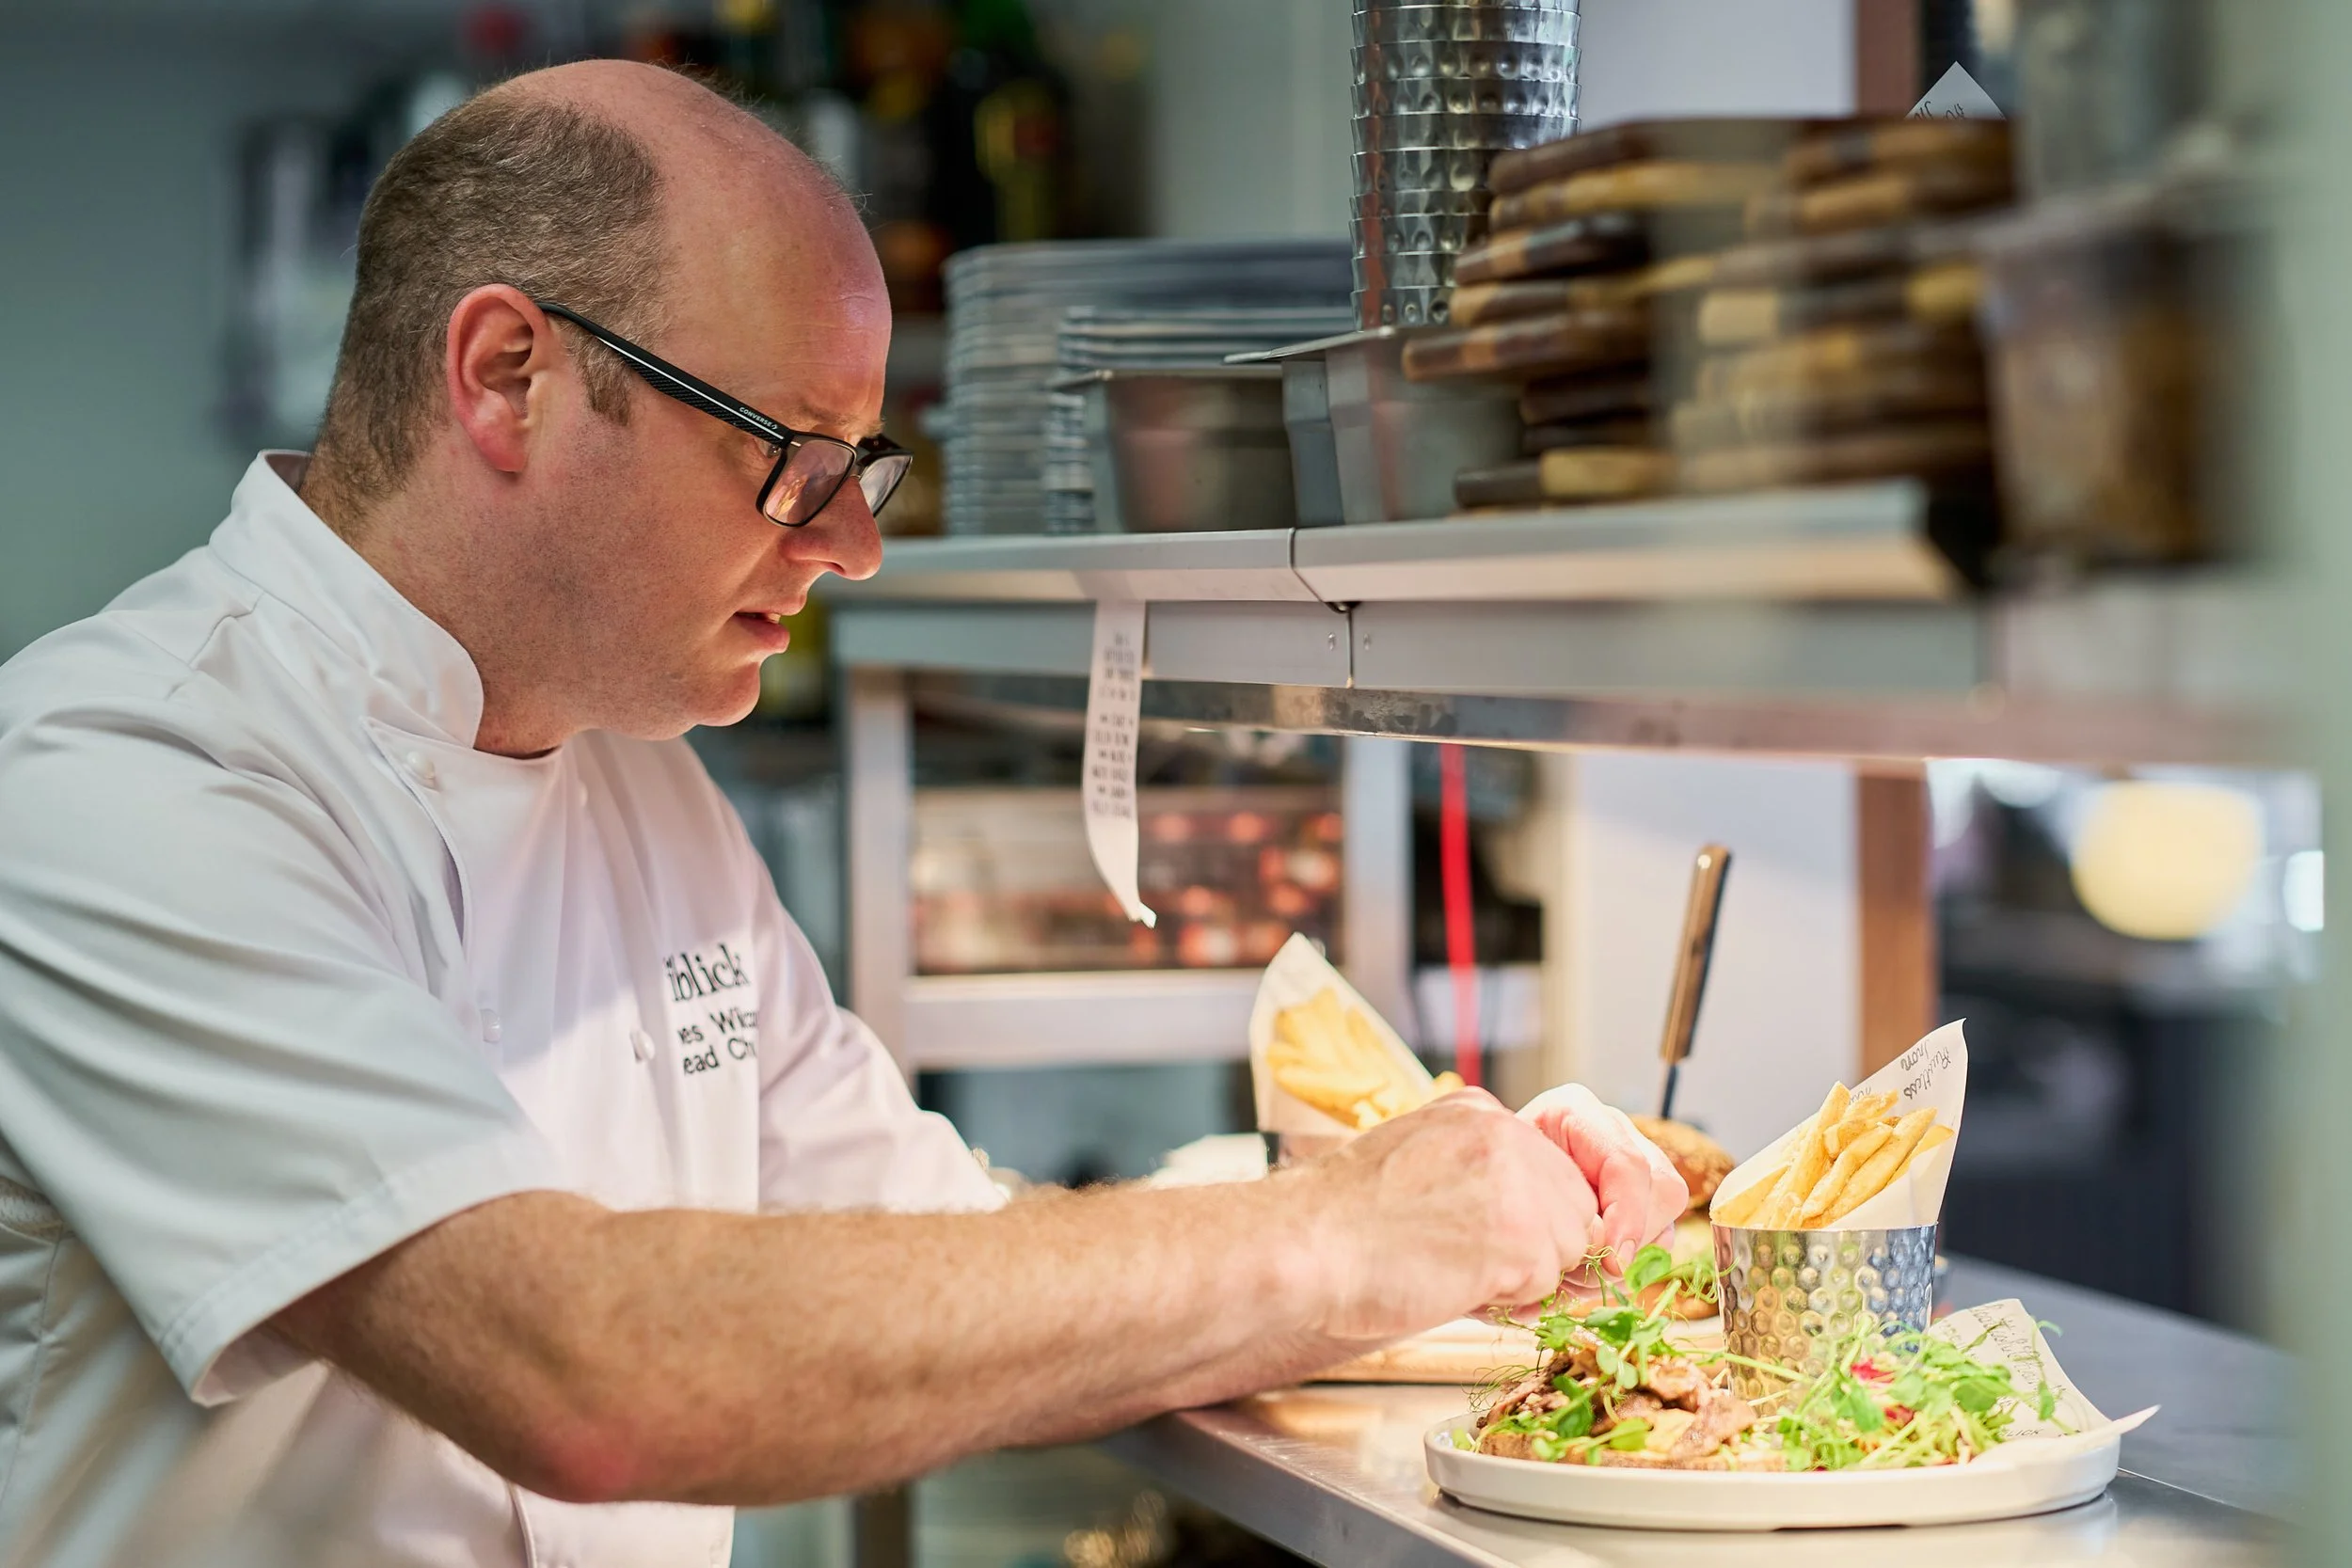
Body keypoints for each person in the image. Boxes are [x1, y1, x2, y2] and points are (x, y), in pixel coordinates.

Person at [0, 62, 1686, 1568]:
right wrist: (1331, 1234)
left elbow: (931, 1240)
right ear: (509, 374)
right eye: (795, 453)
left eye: (861, 467)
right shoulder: (122, 775)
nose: (851, 543)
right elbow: (583, 1372)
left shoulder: (641, 781)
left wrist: (1445, 1211)